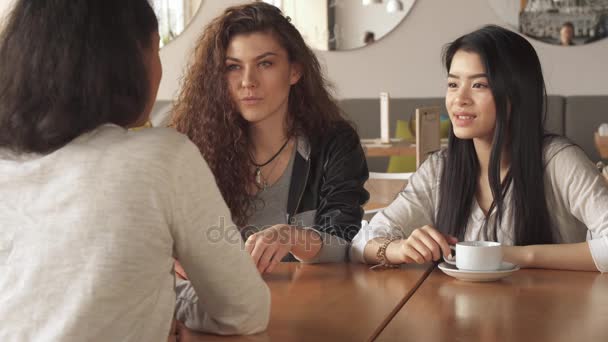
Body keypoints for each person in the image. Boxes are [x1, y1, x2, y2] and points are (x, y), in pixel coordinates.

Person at [0, 1, 269, 341]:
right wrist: (166, 297)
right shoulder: (162, 157)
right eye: (155, 51)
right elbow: (245, 310)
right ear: (128, 64)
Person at [350, 25, 608, 272]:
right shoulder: (440, 168)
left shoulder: (558, 161)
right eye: (453, 84)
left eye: (479, 85)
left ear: (516, 93)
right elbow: (362, 241)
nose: (459, 99)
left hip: (552, 311)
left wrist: (516, 254)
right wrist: (401, 248)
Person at [172, 2, 369, 274]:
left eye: (265, 63)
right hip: (214, 307)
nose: (248, 81)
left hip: (312, 305)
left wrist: (292, 237)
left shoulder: (334, 143)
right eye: (233, 67)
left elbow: (345, 241)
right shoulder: (193, 144)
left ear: (294, 71)